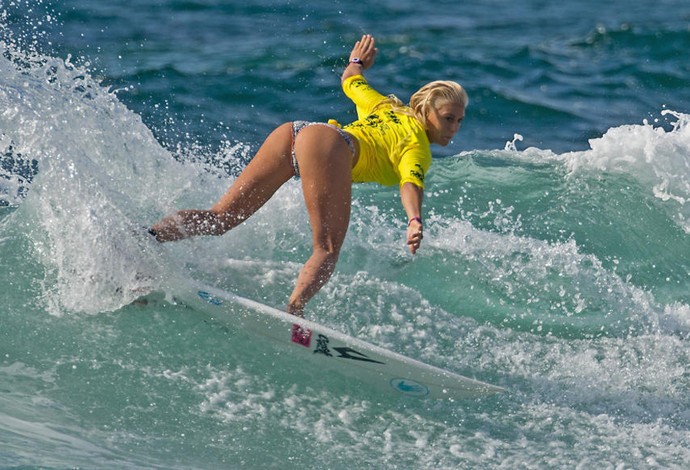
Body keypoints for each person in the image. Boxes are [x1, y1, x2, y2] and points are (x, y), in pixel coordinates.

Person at [149, 34, 468, 316]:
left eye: (459, 121)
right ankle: (294, 312)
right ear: (426, 112)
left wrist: (357, 61)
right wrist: (414, 220)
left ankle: (146, 238)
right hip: (330, 147)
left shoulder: (385, 106)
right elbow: (411, 182)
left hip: (295, 133)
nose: (453, 128)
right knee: (327, 249)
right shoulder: (417, 147)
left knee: (221, 217)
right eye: (447, 118)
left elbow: (351, 80)